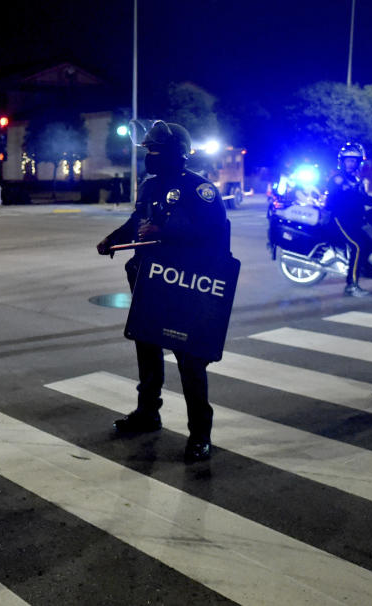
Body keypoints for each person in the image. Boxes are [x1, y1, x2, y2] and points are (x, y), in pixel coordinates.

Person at [95, 120, 228, 463]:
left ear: (178, 155)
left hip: (184, 287)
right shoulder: (150, 187)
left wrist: (167, 231)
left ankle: (200, 433)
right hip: (149, 281)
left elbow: (214, 238)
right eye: (148, 151)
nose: (150, 157)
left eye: (157, 151)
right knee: (147, 349)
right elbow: (137, 222)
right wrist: (114, 238)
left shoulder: (201, 191)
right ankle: (147, 412)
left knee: (190, 361)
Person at [324, 142, 372, 297]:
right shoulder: (337, 179)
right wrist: (348, 195)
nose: (351, 163)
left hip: (353, 220)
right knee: (358, 246)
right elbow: (331, 201)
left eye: (354, 161)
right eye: (348, 160)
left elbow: (364, 199)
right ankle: (351, 286)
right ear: (342, 161)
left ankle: (363, 270)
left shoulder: (356, 180)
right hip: (339, 219)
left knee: (370, 242)